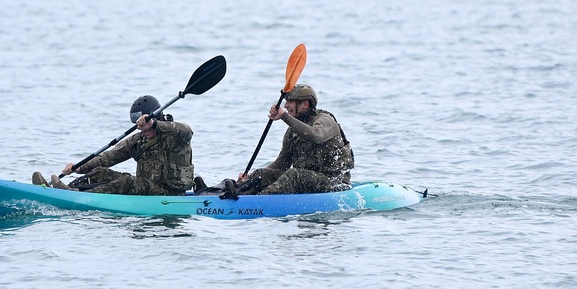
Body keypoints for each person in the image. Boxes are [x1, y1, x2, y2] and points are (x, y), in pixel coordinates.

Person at [31, 95, 195, 196]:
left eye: (145, 125)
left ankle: (77, 196)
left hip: (170, 193)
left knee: (127, 181)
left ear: (155, 117)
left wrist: (154, 124)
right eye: (139, 125)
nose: (142, 129)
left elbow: (187, 130)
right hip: (146, 189)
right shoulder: (137, 141)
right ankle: (66, 189)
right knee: (102, 172)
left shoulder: (176, 136)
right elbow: (106, 158)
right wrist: (77, 168)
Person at [235, 84, 354, 195]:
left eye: (290, 101)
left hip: (334, 182)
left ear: (305, 104)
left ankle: (259, 201)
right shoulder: (293, 131)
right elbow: (281, 164)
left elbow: (315, 136)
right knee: (262, 174)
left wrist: (284, 116)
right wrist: (251, 178)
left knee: (294, 174)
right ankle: (236, 192)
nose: (286, 106)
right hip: (307, 180)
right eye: (286, 101)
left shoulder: (325, 121)